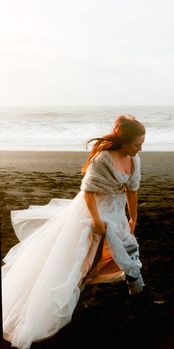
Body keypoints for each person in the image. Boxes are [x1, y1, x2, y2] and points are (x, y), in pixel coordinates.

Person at [2, 114, 146, 349]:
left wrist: (133, 216)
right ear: (123, 141)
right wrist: (97, 221)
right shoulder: (103, 159)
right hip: (93, 212)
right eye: (136, 144)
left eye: (142, 144)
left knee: (130, 249)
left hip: (116, 212)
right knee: (79, 260)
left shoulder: (135, 159)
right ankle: (64, 298)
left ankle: (138, 293)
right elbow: (88, 192)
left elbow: (132, 190)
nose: (140, 148)